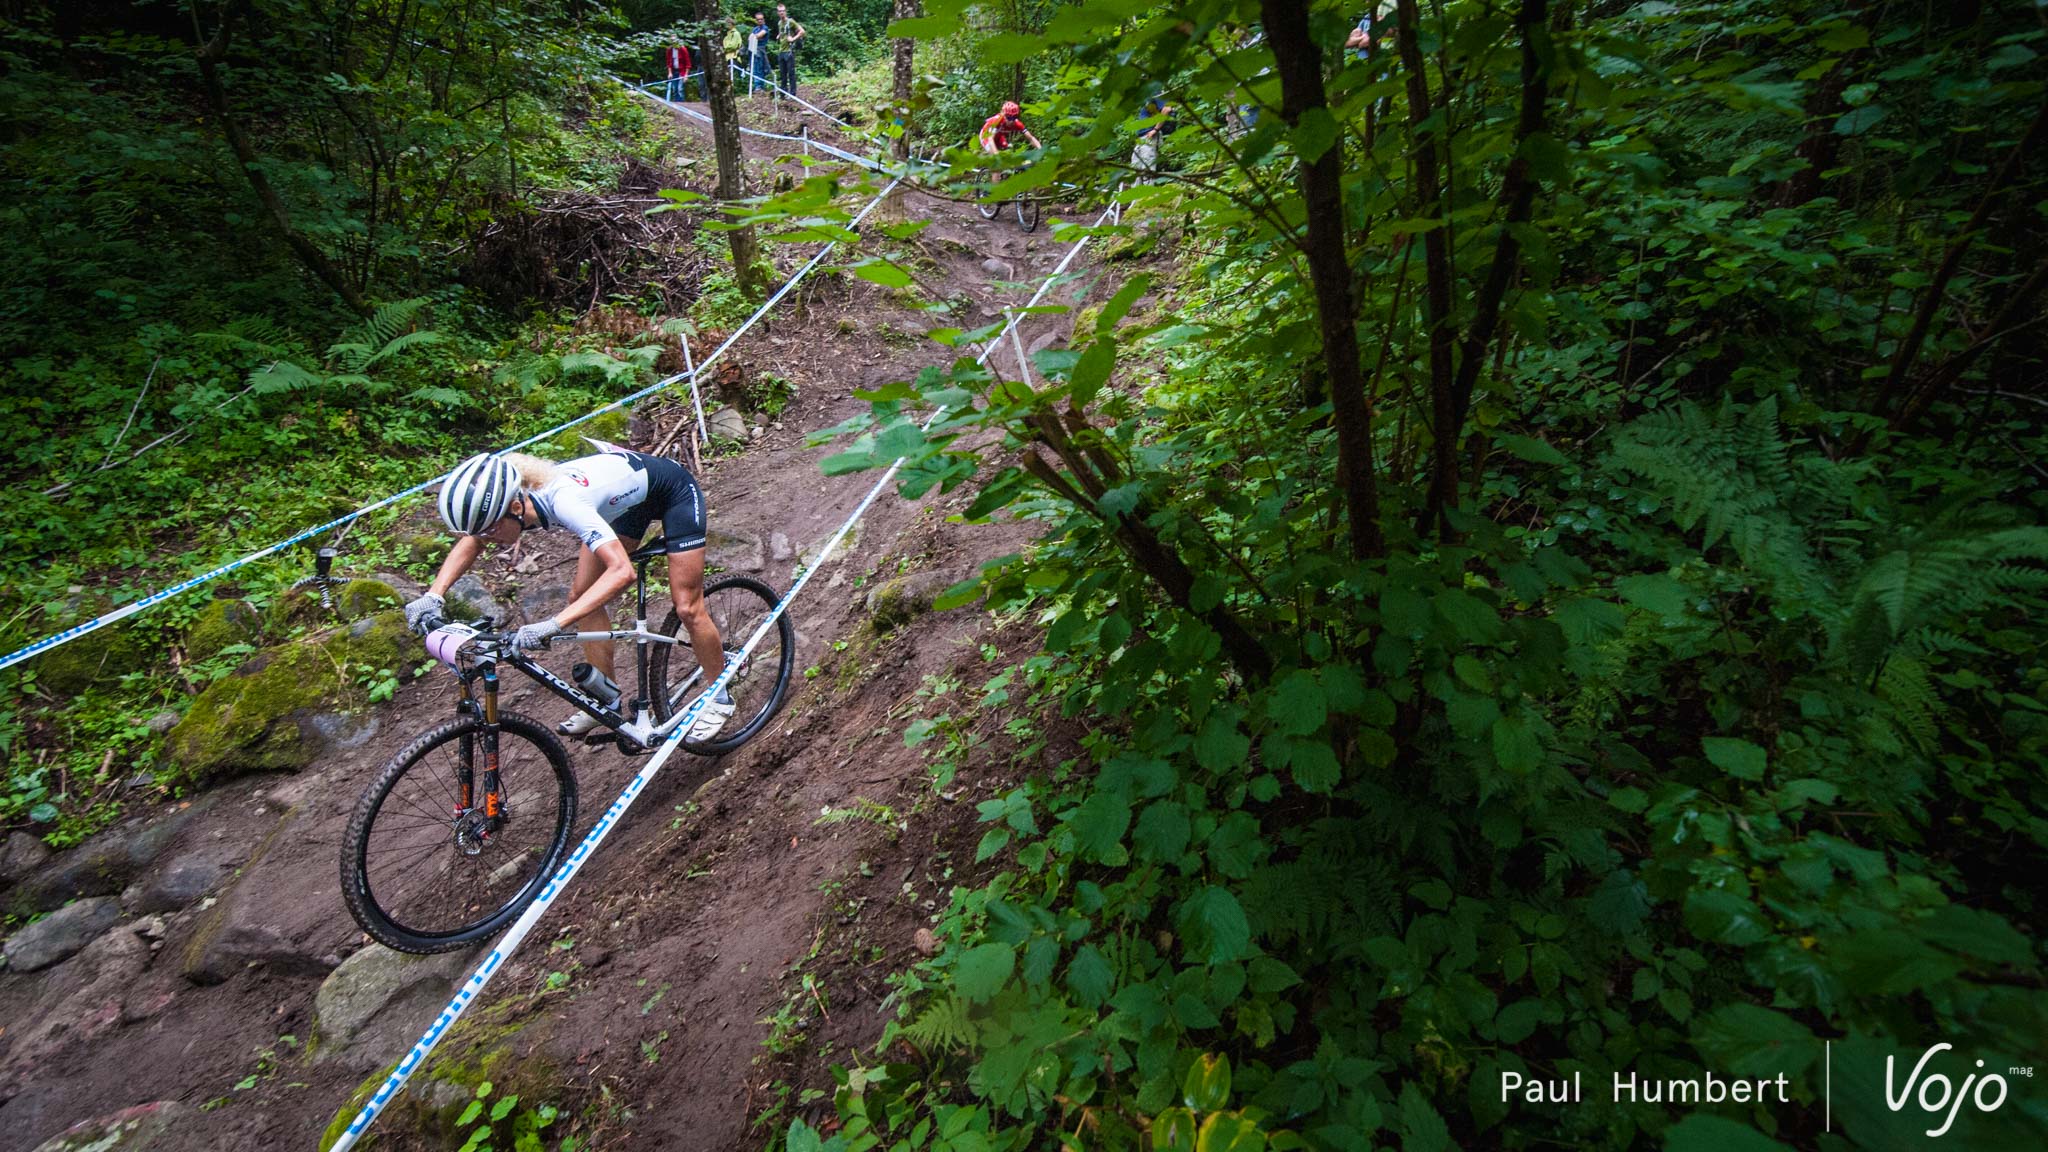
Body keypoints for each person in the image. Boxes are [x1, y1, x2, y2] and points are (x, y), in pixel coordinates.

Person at [404, 445, 735, 744]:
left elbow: (622, 572)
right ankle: (606, 699)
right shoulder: (515, 506)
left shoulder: (564, 501)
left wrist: (553, 624)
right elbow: (473, 539)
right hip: (626, 503)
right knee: (581, 595)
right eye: (482, 531)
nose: (487, 540)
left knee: (688, 608)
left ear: (516, 506)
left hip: (671, 491)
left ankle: (719, 696)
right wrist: (434, 594)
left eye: (491, 529)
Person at [1134, 95, 1175, 174]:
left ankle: (1147, 186)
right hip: (1142, 137)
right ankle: (1136, 186)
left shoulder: (1156, 93)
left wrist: (1155, 129)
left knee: (1147, 168)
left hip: (1149, 135)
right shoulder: (1147, 98)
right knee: (1136, 168)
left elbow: (1167, 109)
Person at [771, 5, 806, 95]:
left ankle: (793, 93)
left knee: (791, 73)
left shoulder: (790, 22)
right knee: (782, 74)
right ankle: (783, 93)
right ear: (777, 13)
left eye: (783, 11)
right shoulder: (779, 23)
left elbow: (802, 31)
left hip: (789, 51)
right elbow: (782, 32)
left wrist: (793, 39)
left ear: (785, 11)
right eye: (779, 11)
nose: (781, 13)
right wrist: (779, 36)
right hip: (781, 51)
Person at [747, 13, 771, 94]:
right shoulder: (755, 29)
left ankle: (760, 86)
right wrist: (754, 36)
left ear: (763, 19)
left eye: (761, 19)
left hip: (760, 50)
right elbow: (749, 38)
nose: (760, 20)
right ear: (756, 20)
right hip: (753, 49)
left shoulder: (765, 28)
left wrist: (754, 36)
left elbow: (758, 35)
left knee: (761, 68)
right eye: (758, 19)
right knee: (755, 68)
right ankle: (757, 86)